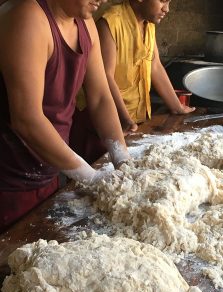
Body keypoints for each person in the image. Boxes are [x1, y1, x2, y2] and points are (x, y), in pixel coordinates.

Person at [0, 0, 130, 233]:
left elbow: (100, 97)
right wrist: (91, 177)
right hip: (9, 179)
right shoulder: (28, 17)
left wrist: (122, 159)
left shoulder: (86, 24)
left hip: (49, 166)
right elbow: (26, 118)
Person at [97, 0, 195, 134]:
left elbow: (155, 66)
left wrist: (177, 107)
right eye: (162, 1)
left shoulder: (148, 24)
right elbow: (105, 76)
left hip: (138, 117)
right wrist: (125, 118)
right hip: (110, 120)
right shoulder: (110, 22)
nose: (166, 9)